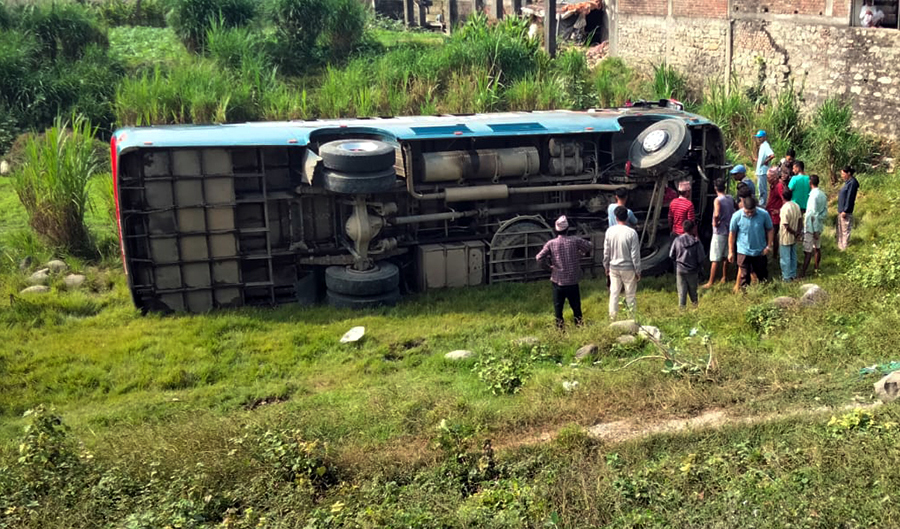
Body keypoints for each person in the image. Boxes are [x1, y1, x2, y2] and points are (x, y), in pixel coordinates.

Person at [536, 215, 593, 329]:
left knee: (558, 308)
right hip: (572, 280)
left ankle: (560, 329)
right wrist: (580, 254)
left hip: (558, 280)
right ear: (567, 229)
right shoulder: (575, 240)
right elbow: (589, 246)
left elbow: (539, 257)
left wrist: (548, 268)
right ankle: (579, 326)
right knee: (576, 307)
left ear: (556, 230)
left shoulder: (551, 243)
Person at [728, 196, 774, 290]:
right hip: (743, 251)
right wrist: (731, 252)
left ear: (755, 208)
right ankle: (744, 294)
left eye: (752, 212)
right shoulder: (736, 216)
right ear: (743, 207)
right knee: (744, 276)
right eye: (747, 212)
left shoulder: (764, 214)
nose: (749, 214)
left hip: (760, 250)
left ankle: (762, 292)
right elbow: (732, 234)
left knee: (762, 274)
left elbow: (770, 229)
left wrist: (769, 246)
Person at [603, 206, 641, 320]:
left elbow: (606, 252)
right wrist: (638, 270)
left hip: (614, 267)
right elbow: (635, 254)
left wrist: (606, 266)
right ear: (627, 217)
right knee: (630, 294)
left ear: (616, 217)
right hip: (628, 268)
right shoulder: (632, 233)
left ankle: (612, 317)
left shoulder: (610, 231)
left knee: (614, 293)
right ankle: (631, 318)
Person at [703, 178, 736, 288]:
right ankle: (724, 276)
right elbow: (736, 207)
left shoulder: (717, 200)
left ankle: (710, 281)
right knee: (726, 255)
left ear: (715, 188)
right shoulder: (730, 198)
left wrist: (715, 222)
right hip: (729, 230)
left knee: (715, 257)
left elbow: (716, 214)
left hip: (719, 231)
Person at [670, 219, 706, 308]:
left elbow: (671, 255)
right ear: (693, 229)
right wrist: (700, 268)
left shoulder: (677, 240)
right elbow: (701, 258)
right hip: (692, 271)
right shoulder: (696, 242)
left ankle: (682, 311)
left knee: (682, 293)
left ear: (683, 228)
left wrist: (677, 262)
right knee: (693, 293)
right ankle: (695, 308)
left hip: (680, 269)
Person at [801, 174, 827, 277]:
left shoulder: (813, 196)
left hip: (811, 227)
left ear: (810, 183)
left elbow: (813, 214)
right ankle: (816, 269)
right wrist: (819, 223)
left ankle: (803, 273)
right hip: (819, 225)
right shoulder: (823, 194)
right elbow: (825, 212)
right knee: (817, 247)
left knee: (808, 250)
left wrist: (815, 230)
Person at [779, 188, 802, 282]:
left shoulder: (784, 208)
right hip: (794, 236)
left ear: (782, 197)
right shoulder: (796, 205)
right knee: (793, 256)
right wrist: (798, 232)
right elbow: (800, 220)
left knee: (785, 258)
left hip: (786, 237)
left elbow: (786, 225)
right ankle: (793, 274)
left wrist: (794, 232)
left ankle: (786, 277)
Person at [837, 165, 859, 251]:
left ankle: (844, 248)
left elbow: (850, 197)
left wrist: (845, 210)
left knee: (845, 230)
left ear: (848, 173)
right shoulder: (848, 182)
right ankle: (840, 248)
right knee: (840, 230)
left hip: (845, 211)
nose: (842, 176)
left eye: (843, 174)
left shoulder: (852, 183)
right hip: (841, 210)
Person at [765, 166, 785, 257]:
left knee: (773, 234)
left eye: (769, 177)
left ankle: (774, 255)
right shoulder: (773, 185)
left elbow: (784, 200)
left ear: (775, 177)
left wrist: (779, 211)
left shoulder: (779, 186)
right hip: (770, 213)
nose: (767, 179)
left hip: (775, 216)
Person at [755, 130, 775, 207]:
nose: (758, 139)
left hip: (762, 171)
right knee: (760, 189)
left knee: (762, 189)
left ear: (764, 137)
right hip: (760, 171)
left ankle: (762, 205)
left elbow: (772, 155)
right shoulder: (762, 145)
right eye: (758, 137)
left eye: (760, 137)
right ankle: (762, 203)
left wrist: (766, 161)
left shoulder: (765, 145)